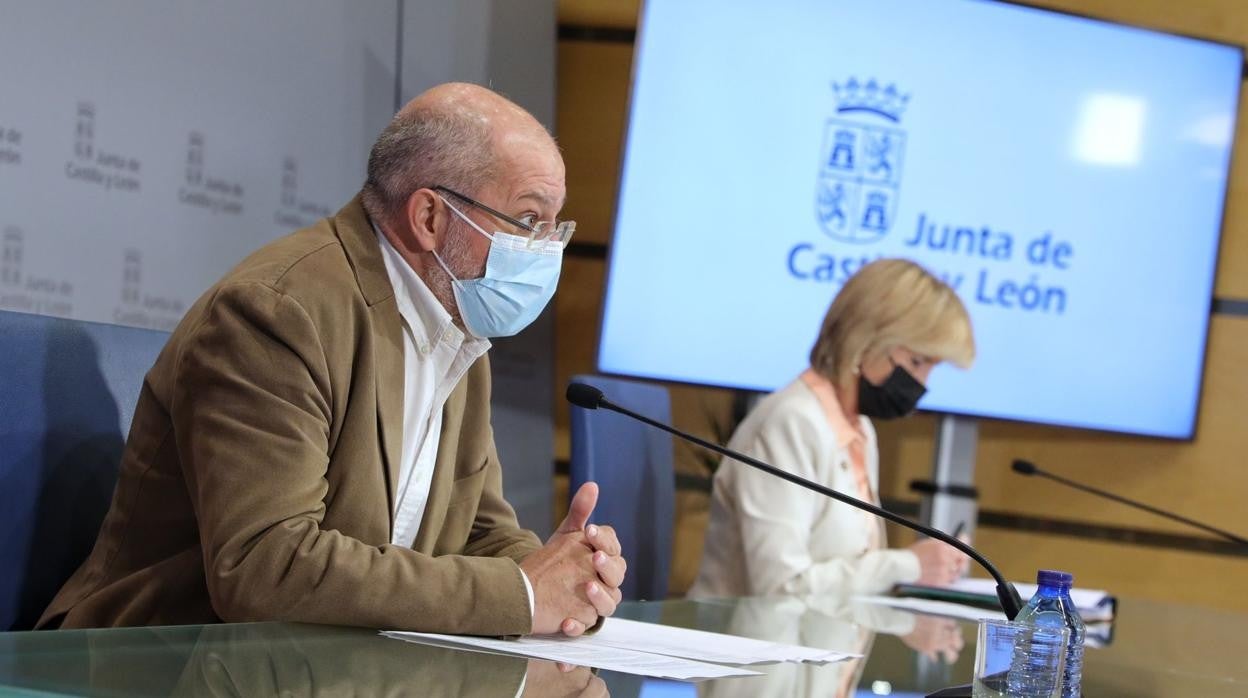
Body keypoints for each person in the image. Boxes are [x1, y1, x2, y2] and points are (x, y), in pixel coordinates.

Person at [38, 83, 626, 638]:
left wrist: (569, 579)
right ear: (429, 218)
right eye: (528, 221)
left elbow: (478, 532)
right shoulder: (276, 315)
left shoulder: (457, 328)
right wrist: (521, 594)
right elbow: (264, 566)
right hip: (160, 663)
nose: (548, 250)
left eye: (555, 228)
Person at [689, 258, 972, 599]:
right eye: (916, 362)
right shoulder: (790, 422)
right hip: (740, 644)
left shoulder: (860, 430)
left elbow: (850, 572)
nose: (922, 384)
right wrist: (908, 566)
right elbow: (780, 588)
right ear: (867, 339)